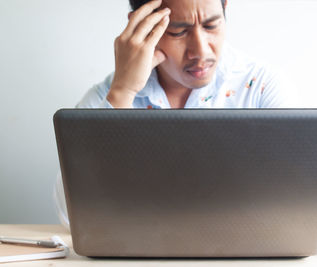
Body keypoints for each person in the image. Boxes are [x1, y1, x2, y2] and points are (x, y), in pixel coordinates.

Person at [54, 0, 297, 229]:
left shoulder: (261, 87)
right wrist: (123, 92)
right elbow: (71, 216)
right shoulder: (109, 97)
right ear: (142, 27)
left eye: (212, 25)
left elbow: (293, 204)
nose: (200, 52)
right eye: (178, 32)